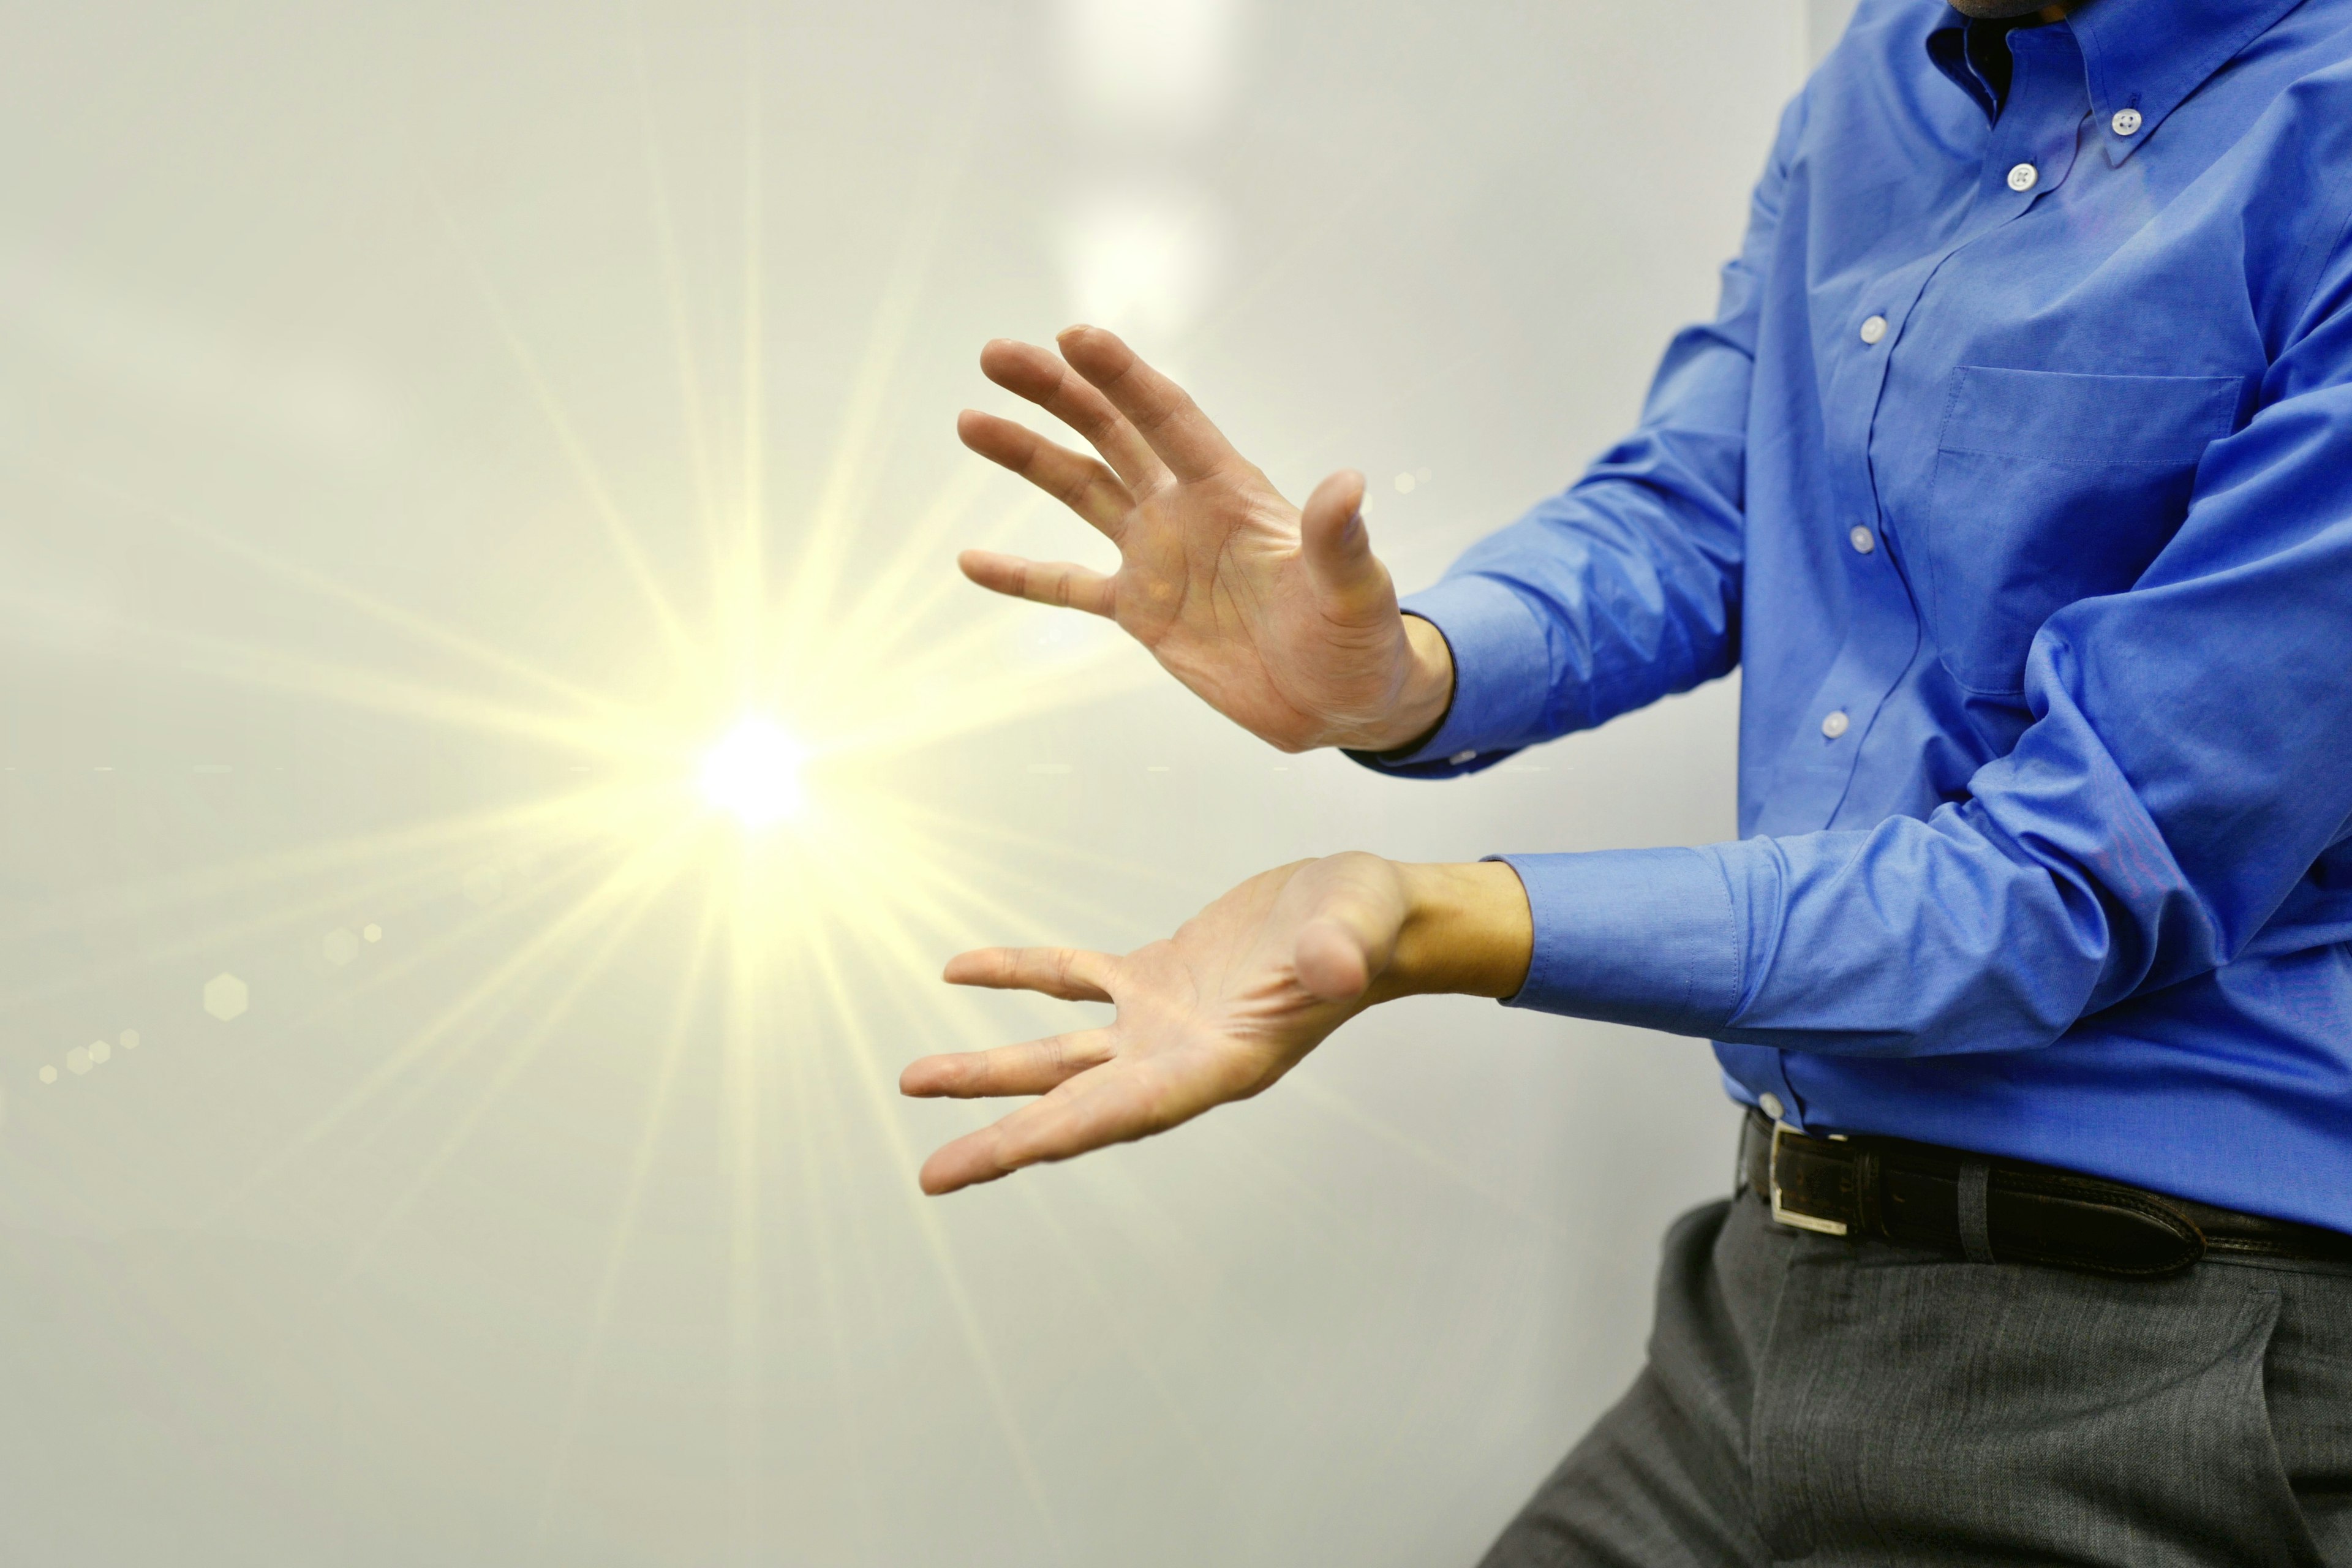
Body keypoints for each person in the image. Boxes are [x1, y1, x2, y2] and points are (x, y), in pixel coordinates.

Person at [899, 0, 2352, 1558]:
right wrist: (1411, 669)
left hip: (2159, 1352)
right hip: (1763, 1294)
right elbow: (1706, 501)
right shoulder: (1888, 72)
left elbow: (2061, 880)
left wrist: (1433, 922)